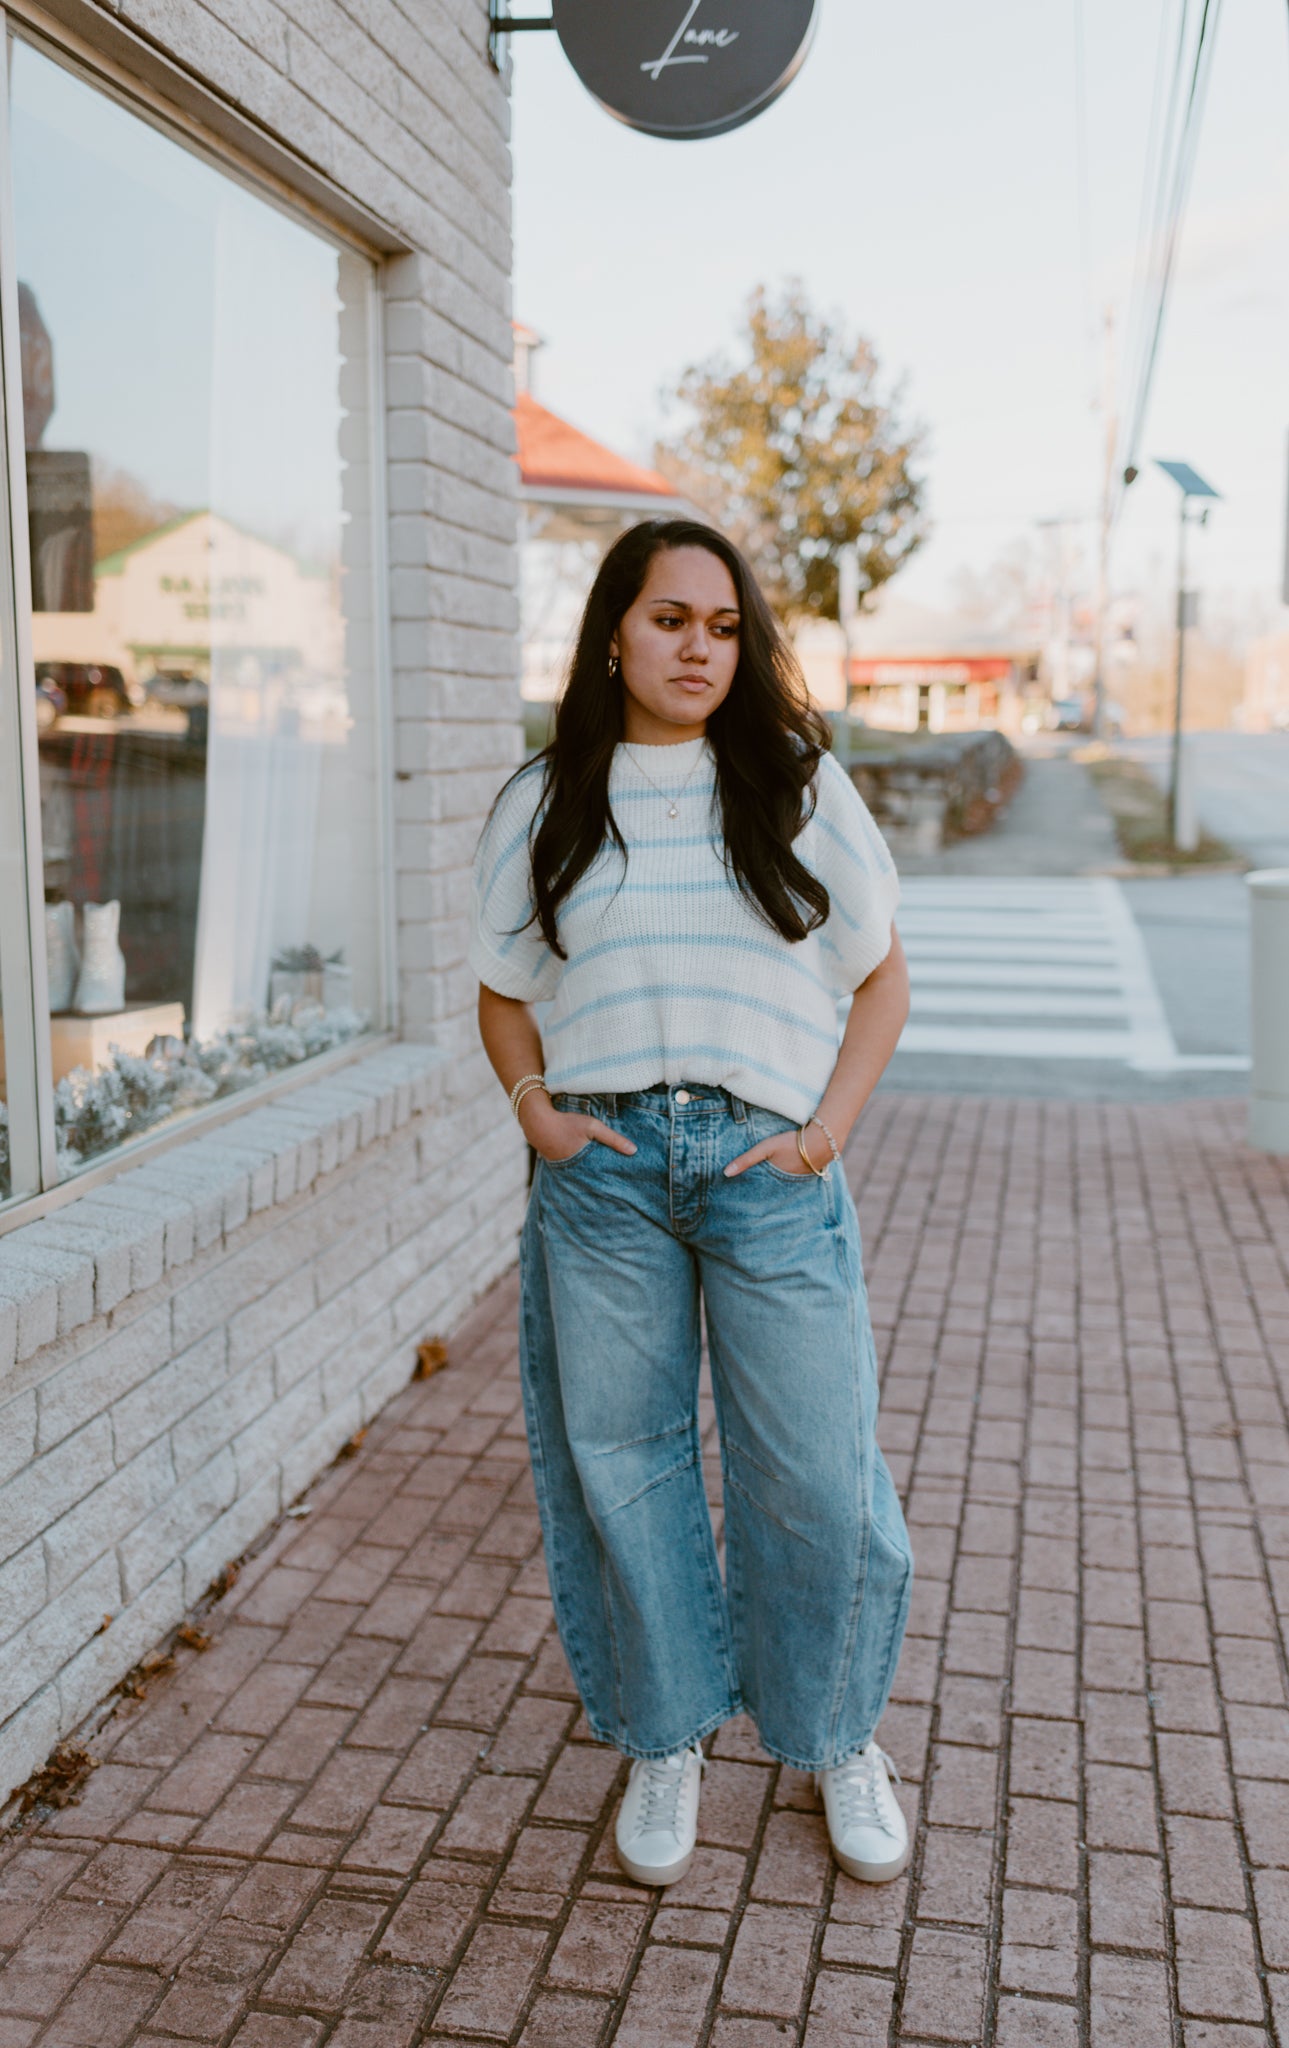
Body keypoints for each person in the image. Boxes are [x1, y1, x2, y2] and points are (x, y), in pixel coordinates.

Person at [469, 517, 914, 1889]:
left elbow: (880, 979)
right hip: (602, 1180)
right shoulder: (548, 796)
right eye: (670, 620)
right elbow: (502, 992)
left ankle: (833, 1733)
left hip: (765, 1169)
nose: (697, 650)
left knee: (819, 1475)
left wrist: (824, 1133)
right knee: (626, 1461)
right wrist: (534, 1112)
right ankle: (665, 1738)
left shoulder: (793, 782)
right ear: (614, 630)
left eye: (723, 629)